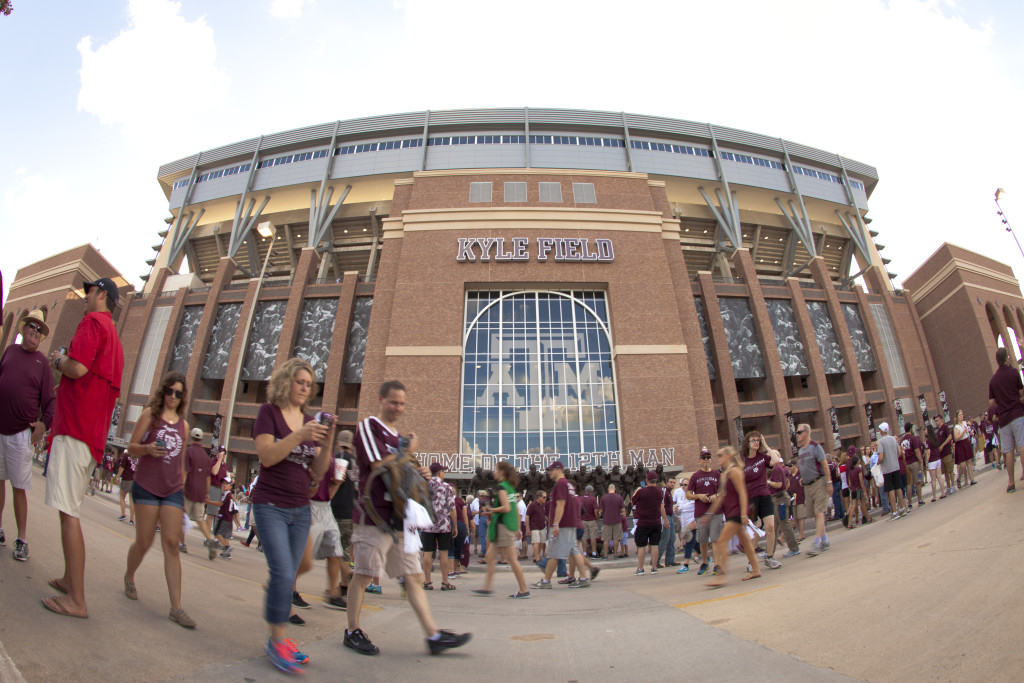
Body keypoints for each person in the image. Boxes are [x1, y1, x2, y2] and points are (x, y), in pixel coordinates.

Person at [345, 380, 470, 657]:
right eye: (393, 402)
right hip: (374, 516)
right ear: (381, 399)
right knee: (365, 575)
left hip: (400, 519)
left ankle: (433, 635)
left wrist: (419, 471)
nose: (398, 408)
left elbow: (401, 471)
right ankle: (352, 629)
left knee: (413, 577)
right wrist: (406, 452)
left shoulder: (399, 438)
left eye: (402, 403)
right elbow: (378, 465)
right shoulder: (369, 427)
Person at [43, 277, 124, 619]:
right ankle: (68, 579)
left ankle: (77, 599)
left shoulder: (93, 322)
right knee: (69, 508)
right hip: (89, 434)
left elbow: (77, 367)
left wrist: (58, 361)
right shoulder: (115, 338)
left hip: (75, 428)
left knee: (68, 513)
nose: (87, 296)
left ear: (101, 294)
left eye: (90, 291)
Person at [252, 357, 333, 673]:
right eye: (300, 381)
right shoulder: (268, 413)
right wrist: (300, 436)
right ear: (286, 381)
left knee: (297, 568)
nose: (305, 388)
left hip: (300, 508)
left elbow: (317, 471)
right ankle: (277, 640)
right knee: (284, 572)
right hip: (270, 504)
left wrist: (325, 443)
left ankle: (280, 632)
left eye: (309, 384)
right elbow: (268, 457)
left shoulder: (309, 420)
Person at [122, 371, 196, 628]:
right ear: (163, 392)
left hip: (172, 489)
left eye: (179, 393)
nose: (173, 397)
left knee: (172, 543)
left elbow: (182, 461)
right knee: (144, 541)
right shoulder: (150, 416)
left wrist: (182, 488)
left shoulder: (184, 426)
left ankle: (176, 607)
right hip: (146, 485)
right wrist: (147, 449)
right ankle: (130, 575)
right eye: (170, 391)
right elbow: (131, 446)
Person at [0, 309, 56, 561]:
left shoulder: (42, 363)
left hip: (21, 434)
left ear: (41, 337)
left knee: (19, 488)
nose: (34, 331)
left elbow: (50, 400)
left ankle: (22, 539)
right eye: (31, 326)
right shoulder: (10, 352)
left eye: (39, 329)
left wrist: (44, 424)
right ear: (23, 330)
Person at [699, 447, 762, 587]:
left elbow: (742, 493)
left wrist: (744, 513)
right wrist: (709, 514)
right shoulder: (725, 474)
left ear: (728, 456)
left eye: (720, 455)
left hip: (736, 513)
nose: (717, 457)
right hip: (730, 513)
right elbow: (721, 497)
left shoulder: (734, 471)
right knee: (745, 542)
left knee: (721, 542)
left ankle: (722, 577)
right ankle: (756, 569)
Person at [532, 460, 597, 588]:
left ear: (559, 469)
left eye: (551, 470)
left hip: (562, 524)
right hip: (570, 523)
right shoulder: (568, 485)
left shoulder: (561, 484)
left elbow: (560, 504)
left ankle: (546, 581)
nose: (549, 472)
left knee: (554, 552)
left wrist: (555, 524)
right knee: (574, 550)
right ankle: (583, 578)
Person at [473, 461, 530, 598]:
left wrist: (490, 510)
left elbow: (506, 507)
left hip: (502, 526)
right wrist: (517, 528)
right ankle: (487, 587)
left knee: (512, 559)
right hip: (505, 526)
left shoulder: (501, 488)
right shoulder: (510, 487)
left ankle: (524, 589)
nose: (493, 472)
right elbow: (515, 508)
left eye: (495, 470)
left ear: (501, 472)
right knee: (490, 557)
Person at [742, 431, 782, 569]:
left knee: (770, 527)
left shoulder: (762, 457)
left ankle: (770, 556)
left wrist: (765, 444)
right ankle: (751, 561)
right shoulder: (742, 460)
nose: (756, 442)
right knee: (753, 531)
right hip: (751, 498)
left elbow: (776, 460)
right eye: (753, 440)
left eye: (758, 440)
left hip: (764, 495)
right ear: (747, 443)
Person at [989, 347, 1024, 492]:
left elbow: (991, 403)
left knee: (1008, 451)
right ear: (1007, 358)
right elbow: (1021, 393)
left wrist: (1000, 400)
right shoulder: (1014, 372)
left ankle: (1011, 482)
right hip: (1017, 414)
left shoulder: (993, 380)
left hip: (1003, 419)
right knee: (1022, 444)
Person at [795, 424, 832, 556]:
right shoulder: (800, 451)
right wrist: (802, 478)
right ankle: (824, 540)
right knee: (815, 513)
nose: (797, 435)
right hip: (807, 485)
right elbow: (804, 467)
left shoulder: (815, 447)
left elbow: (824, 465)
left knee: (819, 512)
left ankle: (817, 542)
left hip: (819, 482)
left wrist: (829, 483)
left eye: (799, 432)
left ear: (806, 432)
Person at [421, 462, 457, 591]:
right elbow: (452, 508)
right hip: (443, 526)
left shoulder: (424, 486)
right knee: (444, 553)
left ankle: (427, 581)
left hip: (427, 524)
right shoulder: (446, 487)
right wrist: (455, 526)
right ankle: (445, 582)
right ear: (440, 473)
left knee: (427, 553)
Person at [182, 427, 217, 557]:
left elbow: (185, 472)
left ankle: (182, 544)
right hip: (201, 492)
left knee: (182, 518)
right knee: (199, 519)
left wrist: (180, 489)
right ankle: (210, 540)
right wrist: (206, 493)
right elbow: (208, 477)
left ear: (192, 437)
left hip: (189, 490)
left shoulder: (188, 452)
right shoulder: (205, 456)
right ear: (201, 439)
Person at [687, 447, 722, 575]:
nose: (706, 460)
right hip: (701, 512)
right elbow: (688, 494)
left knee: (715, 538)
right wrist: (699, 496)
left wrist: (715, 496)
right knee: (702, 539)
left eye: (708, 457)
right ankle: (705, 562)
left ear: (711, 459)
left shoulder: (717, 474)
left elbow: (723, 491)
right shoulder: (695, 476)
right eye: (703, 458)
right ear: (700, 460)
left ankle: (717, 564)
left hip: (716, 511)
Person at [329, 430, 356, 598]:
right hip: (352, 511)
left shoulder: (340, 459)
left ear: (339, 441)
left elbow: (335, 482)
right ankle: (344, 586)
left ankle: (348, 575)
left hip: (338, 510)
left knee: (335, 552)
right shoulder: (356, 463)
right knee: (345, 550)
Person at [630, 471, 668, 575]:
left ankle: (641, 568)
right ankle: (654, 567)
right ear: (656, 481)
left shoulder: (641, 491)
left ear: (647, 480)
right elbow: (661, 505)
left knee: (641, 546)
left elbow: (633, 501)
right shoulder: (660, 492)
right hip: (656, 521)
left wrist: (637, 490)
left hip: (643, 522)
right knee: (655, 545)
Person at [768, 451, 799, 556]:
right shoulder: (777, 469)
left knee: (784, 524)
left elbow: (779, 484)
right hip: (777, 499)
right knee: (774, 526)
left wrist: (768, 482)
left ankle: (794, 548)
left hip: (779, 499)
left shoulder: (777, 469)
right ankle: (770, 552)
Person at [877, 422, 909, 519]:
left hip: (887, 469)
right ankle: (902, 508)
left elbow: (881, 457)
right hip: (896, 466)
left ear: (881, 431)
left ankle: (894, 511)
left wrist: (878, 462)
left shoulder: (881, 442)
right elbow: (899, 452)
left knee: (890, 490)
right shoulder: (893, 439)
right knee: (898, 488)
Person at [673, 475, 696, 572]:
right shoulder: (680, 495)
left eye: (686, 485)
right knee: (696, 544)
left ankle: (686, 564)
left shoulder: (694, 495)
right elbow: (677, 509)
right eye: (683, 485)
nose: (685, 487)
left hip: (692, 521)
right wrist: (676, 510)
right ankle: (705, 557)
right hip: (683, 521)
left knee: (689, 542)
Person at [900, 423, 927, 508]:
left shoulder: (902, 440)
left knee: (909, 484)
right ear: (911, 429)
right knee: (918, 482)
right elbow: (917, 451)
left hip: (907, 463)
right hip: (914, 462)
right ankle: (920, 500)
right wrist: (921, 461)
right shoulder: (913, 438)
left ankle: (910, 503)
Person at [596, 484, 624, 560]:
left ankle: (605, 555)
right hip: (617, 520)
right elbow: (623, 510)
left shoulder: (604, 497)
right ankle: (615, 555)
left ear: (608, 489)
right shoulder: (619, 497)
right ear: (615, 489)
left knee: (606, 539)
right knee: (616, 538)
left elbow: (600, 511)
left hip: (607, 520)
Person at [656, 477, 678, 568]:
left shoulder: (669, 493)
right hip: (666, 517)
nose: (672, 484)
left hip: (671, 516)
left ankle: (669, 560)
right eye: (670, 482)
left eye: (673, 482)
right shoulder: (664, 491)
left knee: (672, 538)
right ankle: (655, 561)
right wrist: (665, 520)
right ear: (666, 483)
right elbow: (662, 506)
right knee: (664, 539)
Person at [952, 410, 977, 488]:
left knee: (969, 461)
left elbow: (968, 432)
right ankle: (959, 479)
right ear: (957, 417)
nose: (961, 416)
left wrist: (970, 433)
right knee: (963, 465)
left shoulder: (965, 424)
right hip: (960, 444)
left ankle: (972, 479)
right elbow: (956, 439)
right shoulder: (956, 427)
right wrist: (963, 432)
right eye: (960, 415)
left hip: (966, 442)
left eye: (962, 414)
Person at [114, 449, 137, 525]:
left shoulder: (126, 456)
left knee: (122, 496)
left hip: (127, 478)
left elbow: (122, 467)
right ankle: (131, 519)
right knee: (132, 500)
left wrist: (118, 476)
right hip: (135, 480)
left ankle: (123, 514)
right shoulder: (139, 457)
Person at [579, 485, 600, 558]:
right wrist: (597, 518)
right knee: (593, 537)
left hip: (583, 520)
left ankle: (584, 553)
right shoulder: (593, 499)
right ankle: (594, 552)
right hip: (591, 520)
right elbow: (596, 510)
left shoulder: (580, 499)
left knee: (584, 537)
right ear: (591, 491)